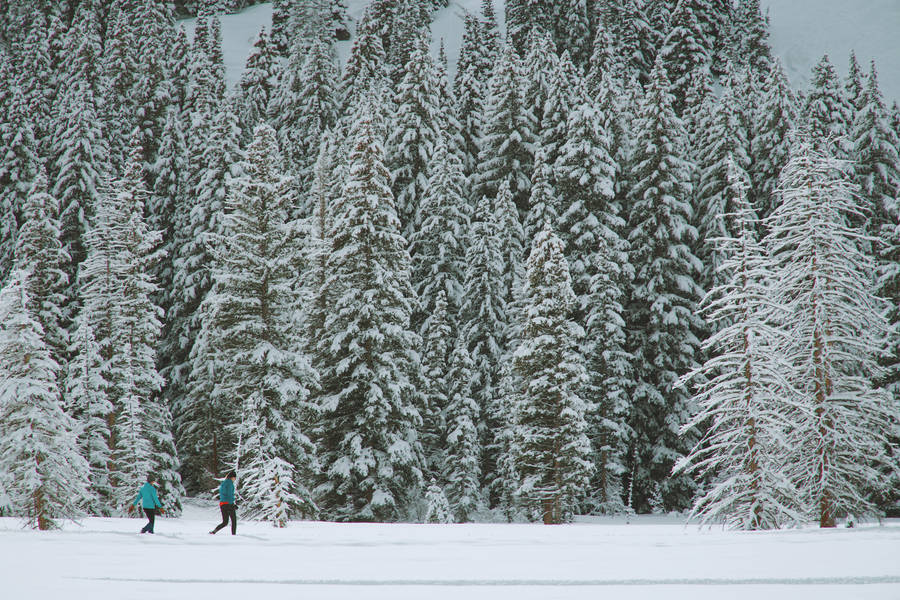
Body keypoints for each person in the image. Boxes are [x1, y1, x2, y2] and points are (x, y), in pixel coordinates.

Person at [210, 471, 237, 535]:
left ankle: (214, 531)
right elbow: (229, 494)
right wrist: (232, 504)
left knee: (225, 522)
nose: (235, 479)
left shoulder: (224, 483)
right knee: (234, 521)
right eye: (234, 478)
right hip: (228, 504)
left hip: (222, 504)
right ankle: (234, 535)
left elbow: (223, 494)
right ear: (232, 477)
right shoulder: (230, 483)